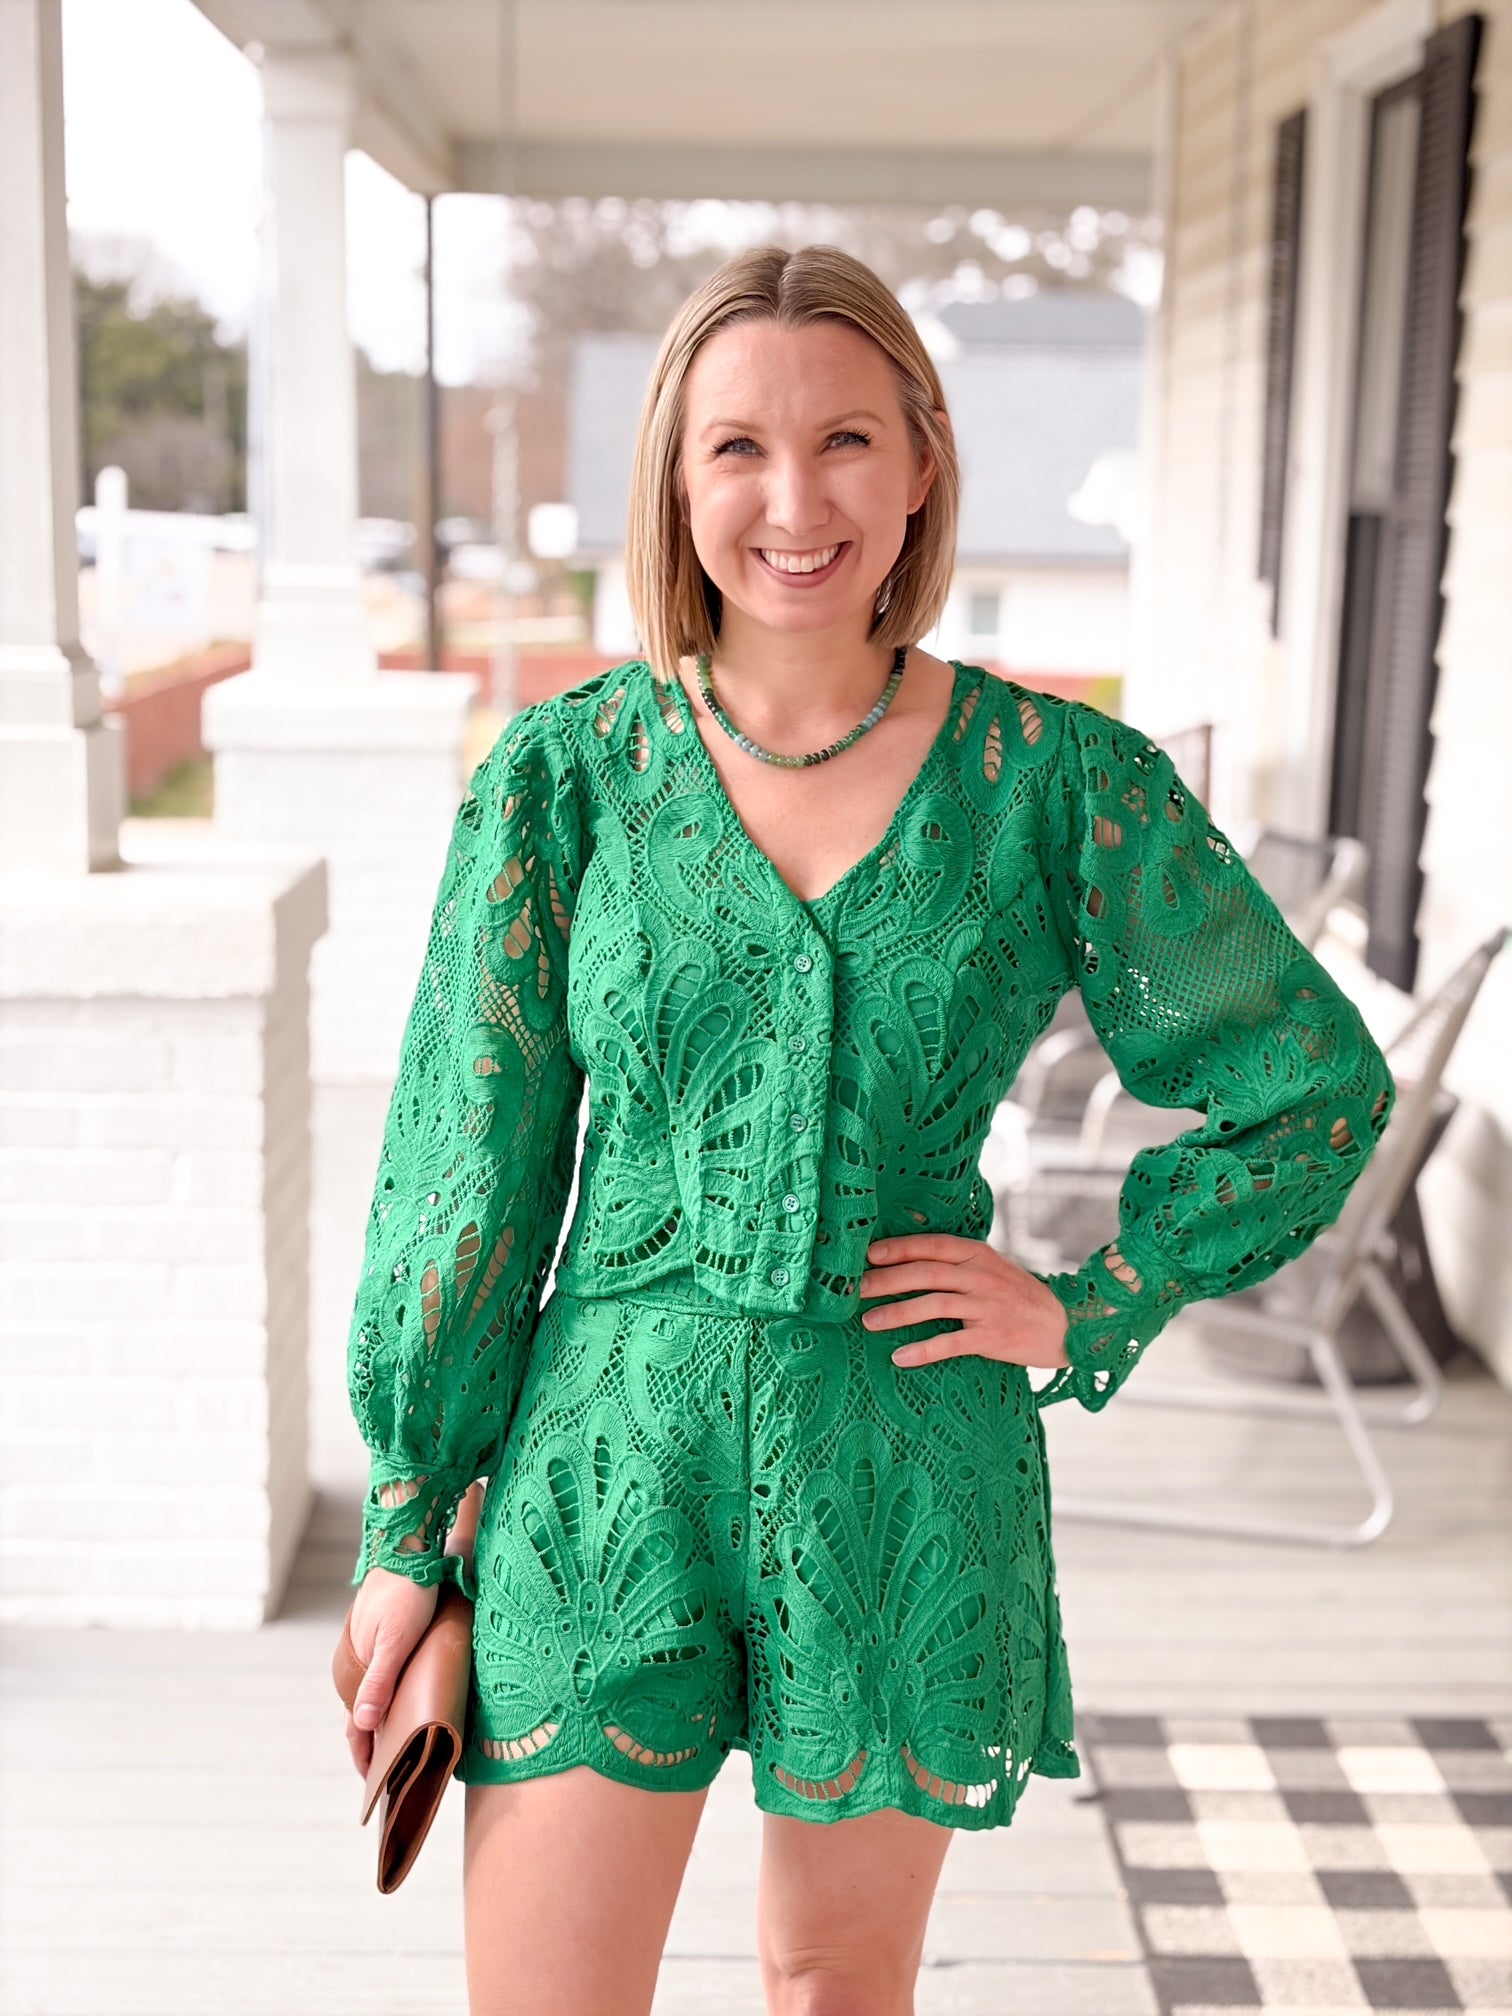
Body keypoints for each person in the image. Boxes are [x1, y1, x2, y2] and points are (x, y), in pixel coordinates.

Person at [337, 244, 1396, 2016]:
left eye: (845, 440)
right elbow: (472, 1165)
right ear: (678, 483)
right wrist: (403, 1520)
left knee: (838, 1987)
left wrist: (1094, 1296)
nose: (794, 498)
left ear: (922, 467)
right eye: (736, 447)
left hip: (905, 1455)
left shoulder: (1060, 786)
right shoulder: (564, 780)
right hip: (609, 1458)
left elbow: (1313, 1082)